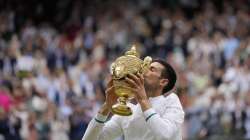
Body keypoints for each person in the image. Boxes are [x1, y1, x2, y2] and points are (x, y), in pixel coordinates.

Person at [82, 59, 185, 140]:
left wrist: (143, 100)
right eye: (144, 67)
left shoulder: (171, 101)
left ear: (163, 82)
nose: (143, 71)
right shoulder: (127, 110)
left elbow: (165, 135)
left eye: (151, 69)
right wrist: (106, 107)